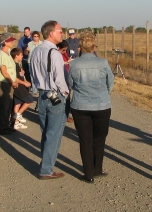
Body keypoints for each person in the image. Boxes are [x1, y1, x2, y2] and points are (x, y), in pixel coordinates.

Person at [68, 31, 114, 183]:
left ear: (80, 48)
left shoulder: (73, 64)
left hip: (80, 106)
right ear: (94, 47)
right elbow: (110, 82)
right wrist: (104, 93)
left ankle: (88, 174)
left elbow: (70, 85)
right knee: (99, 139)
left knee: (85, 140)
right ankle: (97, 168)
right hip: (102, 105)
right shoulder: (103, 63)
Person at [30, 20, 70, 180]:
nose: (62, 34)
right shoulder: (54, 53)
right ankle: (46, 169)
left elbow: (32, 74)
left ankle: (45, 164)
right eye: (60, 31)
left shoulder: (36, 51)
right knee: (54, 134)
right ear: (51, 33)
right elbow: (59, 78)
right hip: (55, 94)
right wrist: (65, 94)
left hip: (42, 94)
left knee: (46, 132)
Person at [0, 36, 19, 135]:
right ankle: (1, 127)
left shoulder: (8, 53)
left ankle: (6, 125)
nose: (13, 42)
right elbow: (4, 71)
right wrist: (11, 81)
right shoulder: (1, 54)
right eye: (10, 41)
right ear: (5, 42)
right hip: (4, 82)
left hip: (9, 82)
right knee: (3, 105)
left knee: (8, 104)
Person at [10, 47, 33, 130]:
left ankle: (15, 122)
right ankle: (18, 114)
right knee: (29, 100)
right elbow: (14, 77)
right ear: (16, 56)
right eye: (21, 55)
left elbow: (19, 74)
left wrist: (22, 72)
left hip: (20, 85)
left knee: (17, 103)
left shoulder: (18, 64)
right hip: (19, 86)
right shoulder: (14, 65)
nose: (22, 56)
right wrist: (24, 83)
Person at [57, 40, 73, 122]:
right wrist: (65, 62)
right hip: (60, 78)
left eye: (66, 50)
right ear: (58, 48)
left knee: (67, 96)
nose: (65, 51)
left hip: (66, 74)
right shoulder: (56, 55)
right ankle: (63, 115)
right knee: (63, 96)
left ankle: (66, 115)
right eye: (63, 50)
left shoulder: (64, 53)